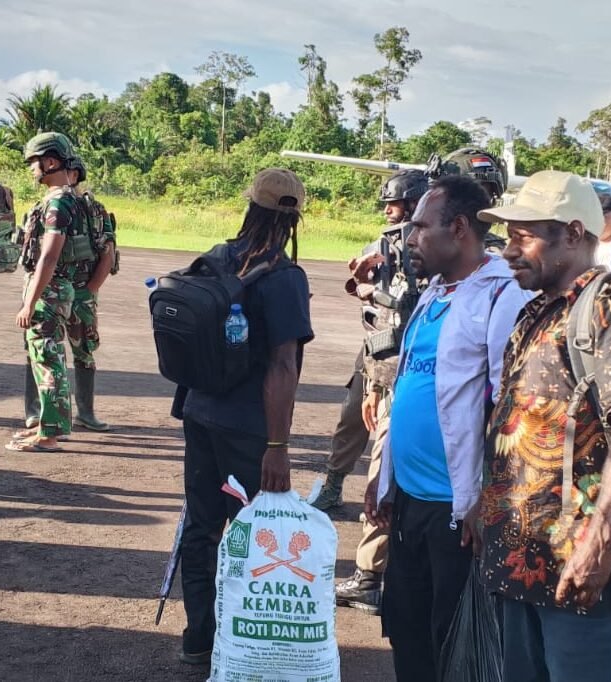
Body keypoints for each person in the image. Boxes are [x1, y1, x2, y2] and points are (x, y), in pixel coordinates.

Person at [475, 170, 611, 682]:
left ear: (575, 234)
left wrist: (599, 541)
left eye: (525, 236)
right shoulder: (538, 311)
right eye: (508, 237)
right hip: (522, 557)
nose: (509, 250)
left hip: (578, 564)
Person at [365, 173, 530, 682]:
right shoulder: (437, 292)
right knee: (406, 624)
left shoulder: (501, 295)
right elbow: (413, 387)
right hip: (412, 498)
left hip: (458, 506)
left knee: (453, 637)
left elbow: (510, 405)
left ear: (459, 228)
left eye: (421, 227)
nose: (411, 239)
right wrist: (385, 473)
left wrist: (490, 495)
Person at [177, 168, 314, 665]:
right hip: (247, 428)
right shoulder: (283, 276)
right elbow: (282, 366)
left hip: (199, 411)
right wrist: (277, 448)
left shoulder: (215, 258)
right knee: (259, 536)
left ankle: (200, 637)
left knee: (202, 525)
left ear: (249, 205)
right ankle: (246, 643)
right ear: (294, 217)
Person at [319, 169, 429, 617]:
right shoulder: (387, 243)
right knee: (355, 431)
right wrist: (367, 281)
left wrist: (377, 293)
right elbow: (359, 287)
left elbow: (409, 306)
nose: (389, 211)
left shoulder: (429, 251)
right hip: (377, 359)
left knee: (383, 473)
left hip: (406, 372)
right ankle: (331, 485)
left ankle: (370, 576)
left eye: (397, 204)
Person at [7, 132, 93, 453]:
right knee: (48, 358)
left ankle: (50, 435)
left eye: (35, 162)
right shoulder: (67, 198)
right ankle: (49, 425)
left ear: (51, 161)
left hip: (50, 291)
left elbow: (50, 255)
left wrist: (29, 302)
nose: (32, 169)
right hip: (58, 290)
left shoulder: (58, 201)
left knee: (48, 360)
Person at [20, 155, 115, 434]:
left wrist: (89, 290)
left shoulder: (93, 210)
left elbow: (107, 254)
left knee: (79, 350)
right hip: (58, 289)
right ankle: (36, 413)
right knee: (38, 349)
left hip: (77, 289)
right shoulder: (47, 206)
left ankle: (83, 413)